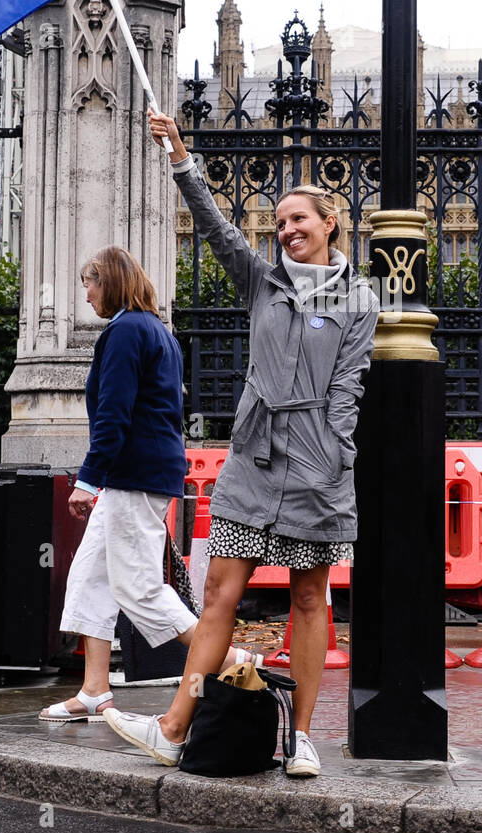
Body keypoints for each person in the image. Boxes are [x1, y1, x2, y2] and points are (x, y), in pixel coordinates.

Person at [105, 111, 379, 777]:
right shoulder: (263, 281)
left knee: (310, 598)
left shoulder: (359, 300)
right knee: (221, 595)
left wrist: (333, 459)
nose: (287, 231)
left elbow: (349, 390)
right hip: (252, 463)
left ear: (330, 224)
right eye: (281, 223)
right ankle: (176, 724)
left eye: (300, 221)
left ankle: (305, 739)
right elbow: (216, 227)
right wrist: (180, 158)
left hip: (316, 467)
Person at [38, 246, 256, 724]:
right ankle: (94, 690)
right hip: (144, 473)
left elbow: (114, 415)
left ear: (111, 282)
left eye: (90, 282)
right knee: (90, 579)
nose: (87, 293)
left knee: (139, 589)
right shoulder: (158, 331)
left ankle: (232, 662)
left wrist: (88, 480)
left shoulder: (124, 332)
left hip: (131, 477)